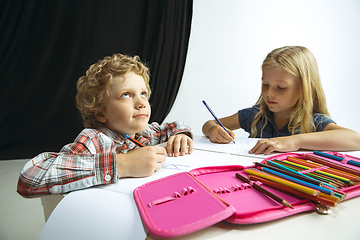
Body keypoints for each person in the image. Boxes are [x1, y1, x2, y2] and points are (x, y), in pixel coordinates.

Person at [18, 53, 193, 198]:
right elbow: (29, 178)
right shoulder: (94, 140)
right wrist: (123, 164)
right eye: (126, 95)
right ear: (100, 113)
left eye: (143, 93)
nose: (141, 103)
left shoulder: (142, 134)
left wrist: (181, 135)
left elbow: (171, 127)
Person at [202, 46, 360, 155]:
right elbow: (209, 124)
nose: (269, 93)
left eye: (281, 88)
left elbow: (355, 139)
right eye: (265, 85)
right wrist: (212, 130)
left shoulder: (314, 122)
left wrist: (293, 142)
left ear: (304, 88)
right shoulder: (256, 115)